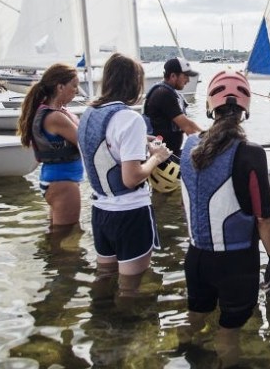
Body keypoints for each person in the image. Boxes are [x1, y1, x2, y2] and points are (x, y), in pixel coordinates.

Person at [180, 69, 270, 366]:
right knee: (229, 334)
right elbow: (264, 218)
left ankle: (181, 357)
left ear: (211, 106)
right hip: (235, 264)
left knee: (195, 319)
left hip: (196, 258)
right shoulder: (251, 154)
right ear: (245, 110)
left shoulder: (187, 146)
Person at [77, 53, 171, 296]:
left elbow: (106, 147)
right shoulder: (131, 119)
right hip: (130, 213)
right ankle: (128, 330)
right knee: (131, 286)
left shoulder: (89, 114)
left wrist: (140, 142)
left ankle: (99, 326)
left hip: (100, 212)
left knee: (105, 277)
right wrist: (156, 157)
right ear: (135, 83)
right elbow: (131, 177)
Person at [17, 63, 83, 226]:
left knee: (55, 235)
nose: (77, 90)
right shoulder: (55, 117)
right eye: (74, 85)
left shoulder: (56, 112)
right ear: (60, 87)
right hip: (63, 182)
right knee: (67, 237)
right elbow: (85, 141)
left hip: (55, 179)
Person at [143, 56, 203, 155]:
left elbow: (189, 126)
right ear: (173, 76)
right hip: (162, 158)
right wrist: (212, 142)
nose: (188, 80)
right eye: (185, 76)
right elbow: (188, 127)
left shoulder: (168, 92)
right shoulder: (163, 94)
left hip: (170, 153)